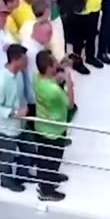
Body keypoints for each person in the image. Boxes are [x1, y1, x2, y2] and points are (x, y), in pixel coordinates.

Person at [0, 44, 32, 192]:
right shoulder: (0, 81)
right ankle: (6, 180)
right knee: (7, 154)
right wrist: (14, 112)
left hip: (20, 123)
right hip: (5, 127)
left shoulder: (19, 74)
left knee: (29, 147)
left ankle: (22, 174)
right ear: (16, 60)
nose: (27, 62)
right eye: (24, 59)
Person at [31, 51, 69, 202]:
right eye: (54, 63)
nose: (57, 65)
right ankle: (46, 190)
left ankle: (50, 178)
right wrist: (68, 82)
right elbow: (70, 103)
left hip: (42, 125)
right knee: (51, 158)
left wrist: (58, 72)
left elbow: (51, 79)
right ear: (48, 67)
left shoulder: (36, 77)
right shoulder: (54, 90)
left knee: (45, 157)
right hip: (54, 129)